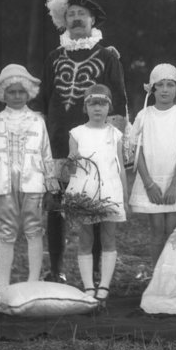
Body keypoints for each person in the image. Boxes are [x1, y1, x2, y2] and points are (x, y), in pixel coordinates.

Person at [33, 0, 127, 283]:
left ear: (92, 20)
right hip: (58, 142)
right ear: (64, 21)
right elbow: (43, 99)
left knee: (95, 205)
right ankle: (56, 270)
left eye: (81, 14)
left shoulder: (108, 56)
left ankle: (97, 270)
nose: (76, 19)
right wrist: (40, 137)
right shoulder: (54, 57)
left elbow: (118, 99)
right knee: (56, 206)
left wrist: (114, 143)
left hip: (95, 144)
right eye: (71, 14)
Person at [0, 64, 57, 290]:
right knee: (5, 231)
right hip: (2, 183)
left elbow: (46, 154)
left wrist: (51, 187)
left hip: (33, 182)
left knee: (34, 228)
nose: (17, 96)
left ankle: (33, 282)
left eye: (21, 91)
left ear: (29, 93)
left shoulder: (38, 121)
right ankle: (3, 285)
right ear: (3, 94)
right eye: (11, 92)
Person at [125, 64, 176, 260]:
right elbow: (137, 151)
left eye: (170, 85)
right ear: (152, 88)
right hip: (152, 182)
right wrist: (149, 184)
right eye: (160, 85)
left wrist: (175, 185)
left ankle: (172, 273)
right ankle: (156, 274)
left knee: (172, 230)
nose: (165, 90)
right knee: (157, 230)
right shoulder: (144, 115)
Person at [66, 84, 128, 302]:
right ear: (86, 107)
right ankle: (88, 286)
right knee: (86, 238)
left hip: (109, 190)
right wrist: (72, 159)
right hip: (85, 191)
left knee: (108, 237)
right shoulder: (77, 133)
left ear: (109, 107)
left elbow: (120, 166)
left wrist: (124, 196)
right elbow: (72, 166)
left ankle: (104, 285)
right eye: (93, 104)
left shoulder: (115, 134)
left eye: (102, 104)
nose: (98, 108)